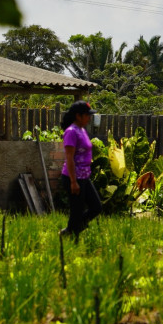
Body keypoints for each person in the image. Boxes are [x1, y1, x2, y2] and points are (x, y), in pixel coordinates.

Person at [59, 100, 102, 240]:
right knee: (76, 211)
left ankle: (71, 230)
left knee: (96, 207)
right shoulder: (71, 132)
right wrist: (73, 181)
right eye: (87, 115)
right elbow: (69, 158)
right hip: (73, 177)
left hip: (84, 176)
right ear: (78, 116)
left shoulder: (82, 130)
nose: (89, 118)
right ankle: (72, 236)